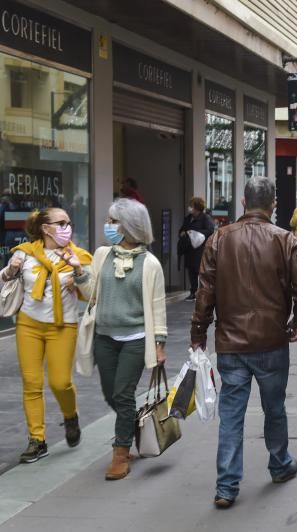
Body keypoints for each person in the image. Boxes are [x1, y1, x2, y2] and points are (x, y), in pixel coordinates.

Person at [191, 176, 297, 509]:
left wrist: (198, 333)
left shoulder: (219, 239)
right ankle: (279, 463)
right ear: (274, 205)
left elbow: (205, 291)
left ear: (244, 202)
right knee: (275, 408)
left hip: (231, 344)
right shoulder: (285, 240)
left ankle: (226, 485)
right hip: (272, 341)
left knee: (231, 414)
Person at [84, 198, 168, 480]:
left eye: (113, 221)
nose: (108, 226)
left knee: (122, 393)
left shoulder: (150, 263)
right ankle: (129, 426)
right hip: (104, 336)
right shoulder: (101, 255)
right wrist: (77, 275)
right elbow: (90, 292)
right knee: (112, 394)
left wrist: (159, 343)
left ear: (131, 225)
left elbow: (157, 305)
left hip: (135, 338)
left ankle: (120, 452)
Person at [1, 209, 92, 464]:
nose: (67, 227)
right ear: (45, 228)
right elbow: (5, 280)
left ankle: (70, 415)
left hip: (63, 326)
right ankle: (37, 439)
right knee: (31, 383)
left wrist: (78, 273)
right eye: (61, 223)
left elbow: (93, 291)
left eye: (69, 223)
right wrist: (9, 271)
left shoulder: (79, 256)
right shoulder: (25, 253)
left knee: (60, 382)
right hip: (28, 324)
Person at [179, 197, 216, 301]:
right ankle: (193, 291)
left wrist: (195, 232)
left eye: (192, 206)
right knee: (191, 271)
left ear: (197, 208)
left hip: (200, 249)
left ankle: (202, 292)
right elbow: (182, 229)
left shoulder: (205, 218)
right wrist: (182, 233)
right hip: (189, 248)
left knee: (199, 271)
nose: (190, 208)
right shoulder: (188, 218)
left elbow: (209, 230)